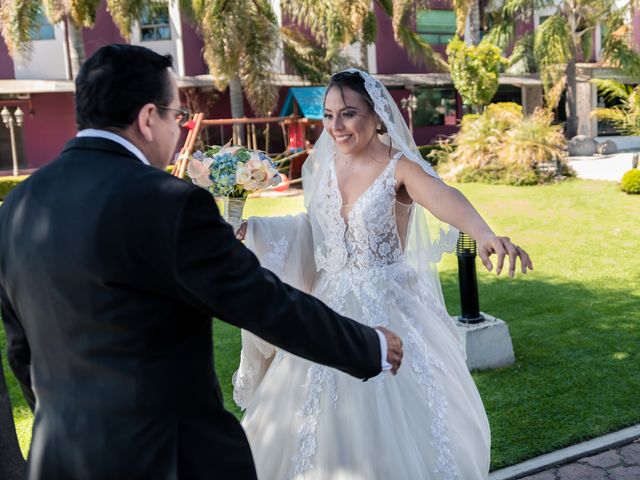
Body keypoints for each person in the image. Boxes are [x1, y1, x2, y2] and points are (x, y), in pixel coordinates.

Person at [0, 46, 404, 480]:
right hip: (168, 458)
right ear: (148, 118)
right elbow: (263, 302)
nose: (179, 129)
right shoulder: (168, 203)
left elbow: (21, 350)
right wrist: (368, 346)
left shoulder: (17, 205)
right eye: (177, 117)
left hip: (60, 458)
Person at [233, 69, 533, 480]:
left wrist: (482, 233)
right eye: (329, 114)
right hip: (326, 311)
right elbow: (311, 230)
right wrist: (258, 232)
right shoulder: (321, 167)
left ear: (377, 118)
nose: (336, 126)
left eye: (349, 114)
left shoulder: (400, 168)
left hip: (389, 310)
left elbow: (442, 195)